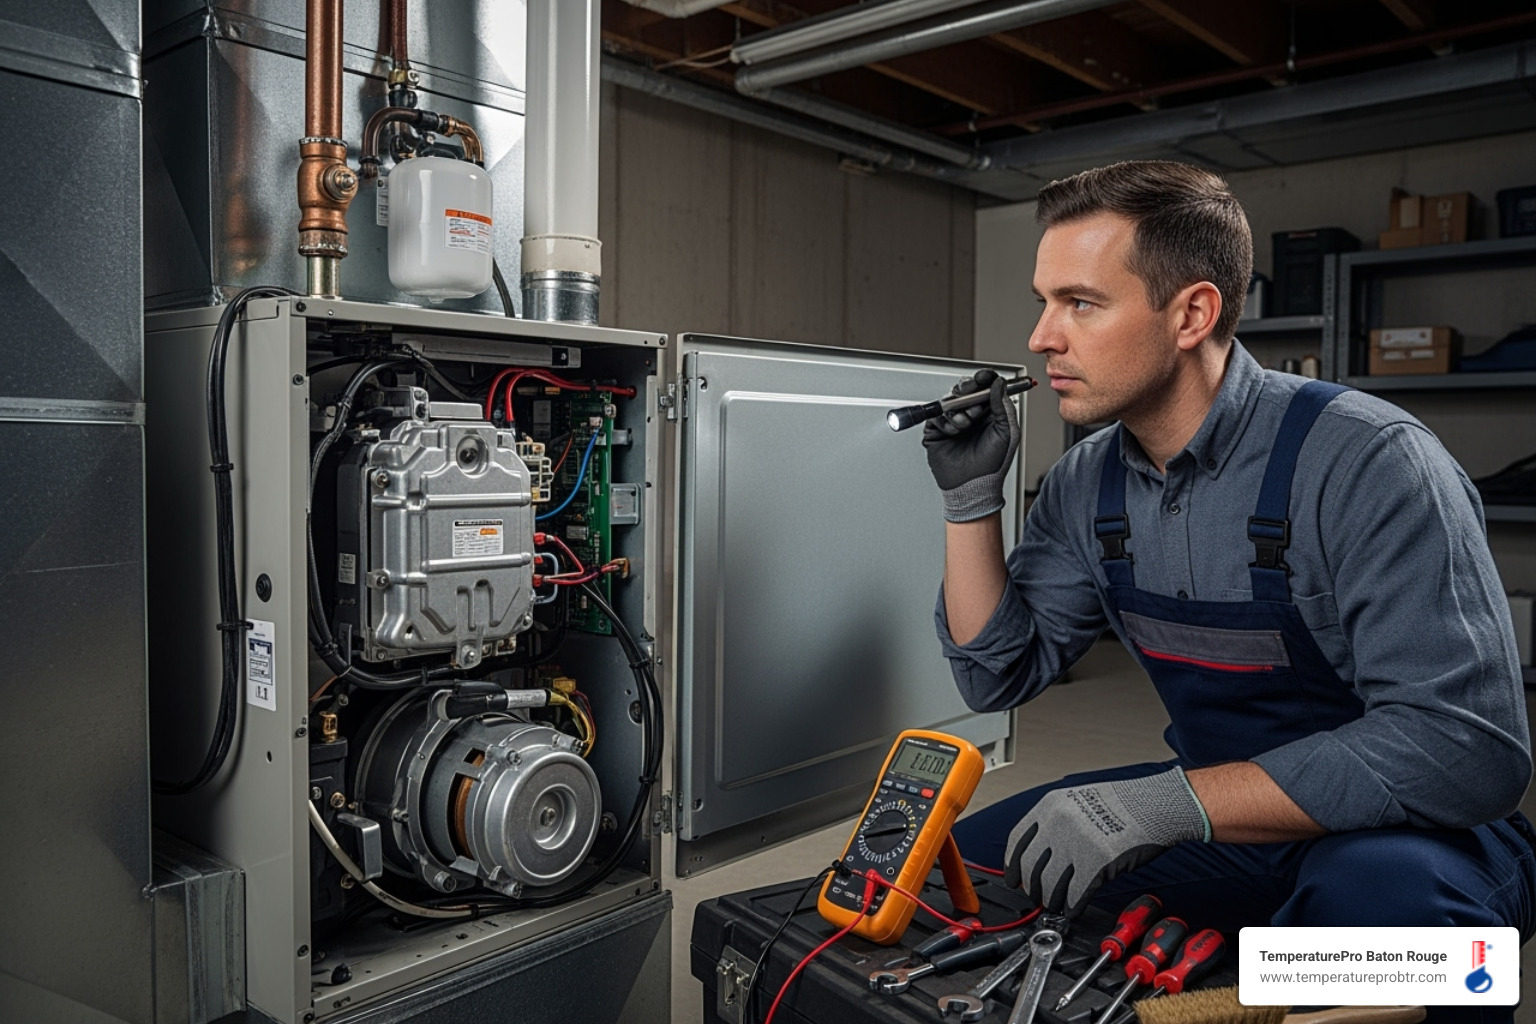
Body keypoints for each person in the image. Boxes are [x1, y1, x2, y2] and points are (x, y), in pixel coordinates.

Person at [923, 160, 1534, 1020]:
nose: (1041, 337)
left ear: (1192, 314)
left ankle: (1307, 962)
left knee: (1379, 940)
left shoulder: (1369, 462)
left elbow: (1467, 751)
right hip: (1232, 822)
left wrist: (1172, 802)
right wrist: (969, 503)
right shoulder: (1085, 483)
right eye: (1043, 301)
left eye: (1080, 303)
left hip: (1413, 837)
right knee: (954, 879)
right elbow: (996, 675)